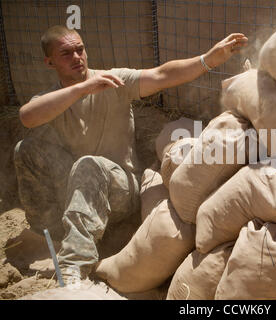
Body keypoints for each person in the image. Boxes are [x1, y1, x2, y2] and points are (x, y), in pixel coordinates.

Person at [14, 25, 248, 283]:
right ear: (50, 62)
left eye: (80, 49)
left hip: (122, 188)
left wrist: (208, 59)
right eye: (66, 54)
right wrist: (80, 90)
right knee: (26, 150)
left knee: (89, 165)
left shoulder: (112, 80)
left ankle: (74, 268)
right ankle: (49, 233)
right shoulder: (55, 97)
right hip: (79, 184)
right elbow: (27, 117)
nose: (77, 57)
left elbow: (161, 75)